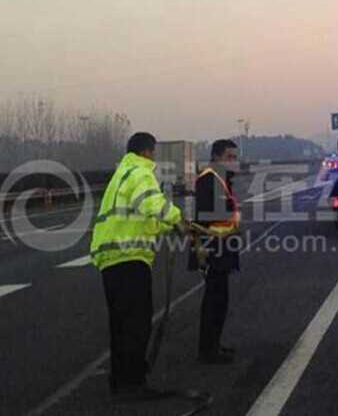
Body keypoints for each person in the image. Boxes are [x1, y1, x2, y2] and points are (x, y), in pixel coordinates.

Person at [90, 132, 186, 400]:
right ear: (147, 151)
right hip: (129, 258)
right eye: (153, 153)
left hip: (112, 260)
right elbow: (152, 203)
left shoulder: (121, 173)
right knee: (136, 323)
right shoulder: (141, 172)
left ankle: (121, 382)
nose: (154, 157)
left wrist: (166, 226)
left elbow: (142, 215)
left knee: (120, 324)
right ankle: (132, 384)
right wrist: (178, 219)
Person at [189, 139, 241, 364]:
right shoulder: (210, 179)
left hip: (222, 246)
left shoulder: (220, 178)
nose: (234, 162)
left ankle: (214, 344)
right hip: (213, 248)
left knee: (220, 299)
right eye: (230, 157)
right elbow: (209, 216)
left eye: (235, 157)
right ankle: (207, 351)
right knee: (214, 300)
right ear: (217, 157)